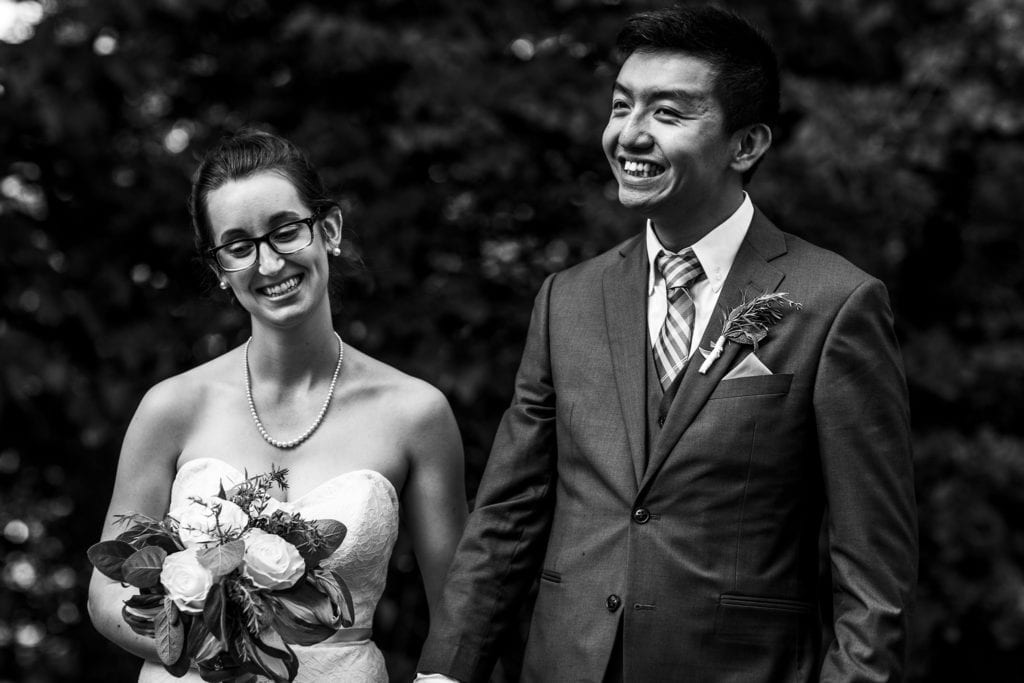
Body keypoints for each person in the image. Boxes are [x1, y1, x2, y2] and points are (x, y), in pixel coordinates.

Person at [417, 5, 917, 682]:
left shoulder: (835, 302)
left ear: (746, 145)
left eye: (667, 113)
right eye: (622, 106)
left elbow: (873, 571)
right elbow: (507, 515)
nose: (629, 134)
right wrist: (447, 671)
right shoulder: (569, 298)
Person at [87, 129, 468, 682]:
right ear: (219, 268)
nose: (268, 265)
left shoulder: (416, 414)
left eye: (285, 232)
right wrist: (212, 655)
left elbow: (459, 618)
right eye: (239, 246)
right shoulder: (171, 408)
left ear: (328, 229)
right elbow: (106, 594)